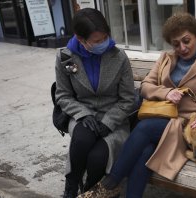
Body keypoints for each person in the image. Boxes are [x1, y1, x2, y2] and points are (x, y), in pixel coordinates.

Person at [78, 12, 196, 198]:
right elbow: (146, 86)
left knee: (145, 128)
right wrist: (166, 92)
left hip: (188, 127)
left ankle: (110, 183)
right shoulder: (165, 59)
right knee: (145, 152)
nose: (182, 47)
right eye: (176, 44)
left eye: (187, 40)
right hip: (163, 120)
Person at [54, 8, 135, 198]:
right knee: (82, 139)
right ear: (81, 40)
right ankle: (71, 188)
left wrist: (108, 122)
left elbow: (128, 99)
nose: (103, 44)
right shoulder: (65, 57)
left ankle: (89, 192)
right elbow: (63, 96)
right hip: (83, 115)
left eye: (105, 37)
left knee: (97, 158)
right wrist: (83, 114)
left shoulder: (119, 57)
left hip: (114, 118)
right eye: (97, 41)